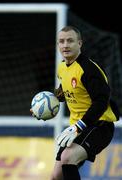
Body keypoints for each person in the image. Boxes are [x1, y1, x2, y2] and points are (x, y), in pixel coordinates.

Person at [50, 26, 120, 180]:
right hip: (77, 127)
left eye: (70, 41)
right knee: (56, 176)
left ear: (79, 43)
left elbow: (102, 101)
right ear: (57, 45)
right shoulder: (62, 68)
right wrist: (48, 103)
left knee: (68, 158)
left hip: (99, 126)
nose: (65, 45)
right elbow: (66, 91)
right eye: (61, 41)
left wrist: (79, 126)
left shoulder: (88, 69)